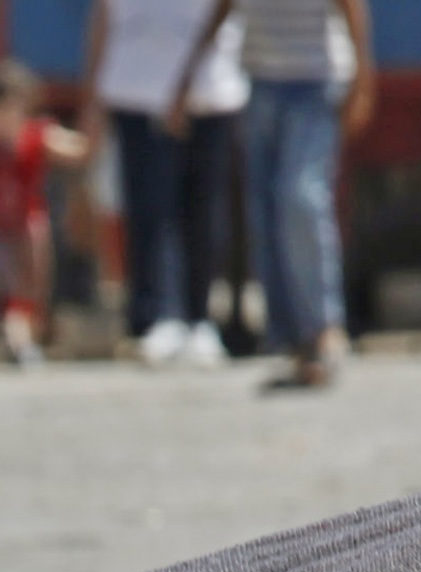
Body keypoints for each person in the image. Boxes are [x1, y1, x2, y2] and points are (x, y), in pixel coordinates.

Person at [167, 0, 376, 389]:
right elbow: (222, 9)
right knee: (265, 212)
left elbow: (352, 8)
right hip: (261, 82)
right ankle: (292, 336)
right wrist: (187, 76)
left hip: (317, 82)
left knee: (300, 198)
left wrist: (363, 78)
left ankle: (324, 327)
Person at [79, 0, 248, 366]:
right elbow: (104, 15)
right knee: (149, 210)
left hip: (208, 88)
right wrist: (92, 98)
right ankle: (156, 317)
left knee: (204, 211)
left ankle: (199, 319)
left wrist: (184, 81)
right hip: (135, 85)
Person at [0, 61, 92, 368]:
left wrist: (93, 118)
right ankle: (20, 342)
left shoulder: (38, 135)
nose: (9, 117)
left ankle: (30, 335)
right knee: (9, 287)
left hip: (29, 223)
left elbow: (80, 152)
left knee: (35, 287)